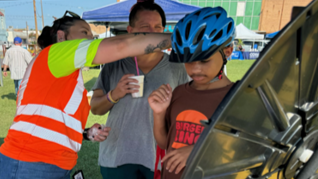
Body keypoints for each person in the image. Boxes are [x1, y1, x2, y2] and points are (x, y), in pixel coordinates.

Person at [0, 11, 171, 179]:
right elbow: (122, 45)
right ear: (61, 37)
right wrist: (177, 39)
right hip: (30, 163)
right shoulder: (55, 54)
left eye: (90, 33)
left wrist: (85, 134)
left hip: (53, 164)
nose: (90, 38)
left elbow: (51, 121)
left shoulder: (66, 75)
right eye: (84, 32)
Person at [90, 2, 188, 179]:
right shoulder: (114, 64)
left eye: (158, 27)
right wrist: (114, 95)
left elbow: (186, 110)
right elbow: (95, 108)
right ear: (130, 29)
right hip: (117, 155)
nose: (152, 32)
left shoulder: (177, 66)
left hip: (158, 156)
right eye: (145, 27)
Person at [148, 7, 236, 179]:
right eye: (188, 61)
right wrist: (158, 114)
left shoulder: (238, 98)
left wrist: (198, 152)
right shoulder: (180, 92)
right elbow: (165, 143)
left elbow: (244, 151)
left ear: (228, 51)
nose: (195, 69)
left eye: (204, 60)